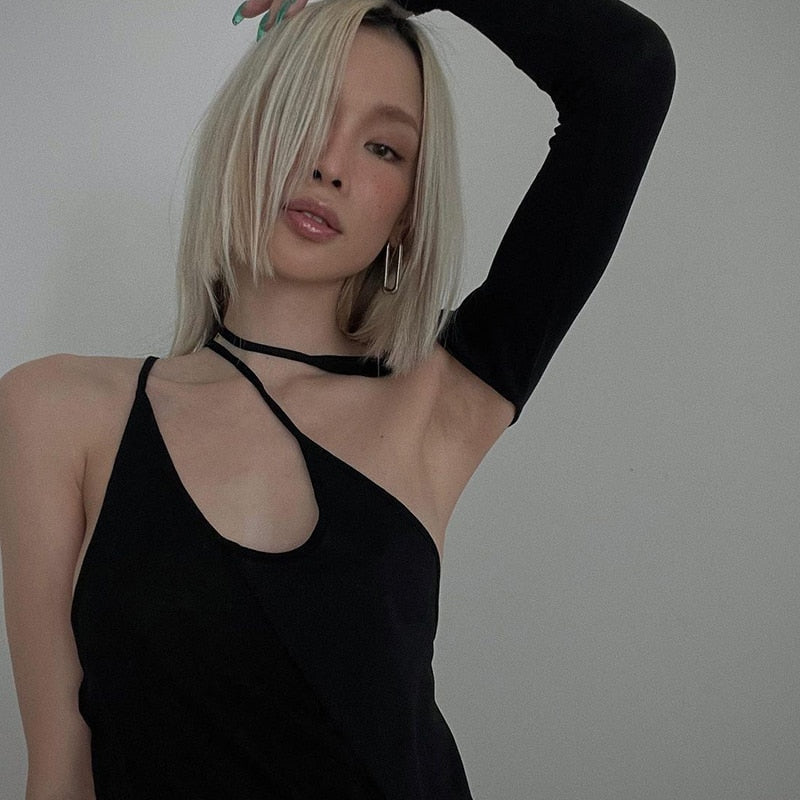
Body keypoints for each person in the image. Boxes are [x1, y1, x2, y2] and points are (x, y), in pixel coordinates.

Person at [0, 0, 675, 796]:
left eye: (384, 147)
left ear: (406, 215)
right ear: (245, 131)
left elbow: (628, 73)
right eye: (308, 114)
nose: (330, 166)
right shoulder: (57, 411)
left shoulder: (438, 401)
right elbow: (61, 772)